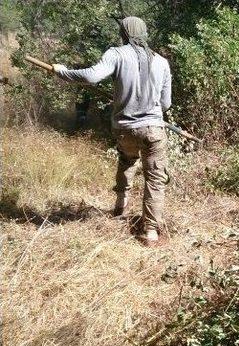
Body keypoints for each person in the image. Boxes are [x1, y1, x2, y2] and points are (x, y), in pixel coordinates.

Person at [52, 16, 172, 246]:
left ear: (124, 33)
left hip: (125, 128)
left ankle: (120, 207)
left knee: (127, 160)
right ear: (144, 32)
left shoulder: (116, 54)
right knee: (155, 179)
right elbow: (165, 104)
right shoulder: (162, 62)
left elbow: (91, 76)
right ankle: (151, 232)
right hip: (154, 129)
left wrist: (63, 71)